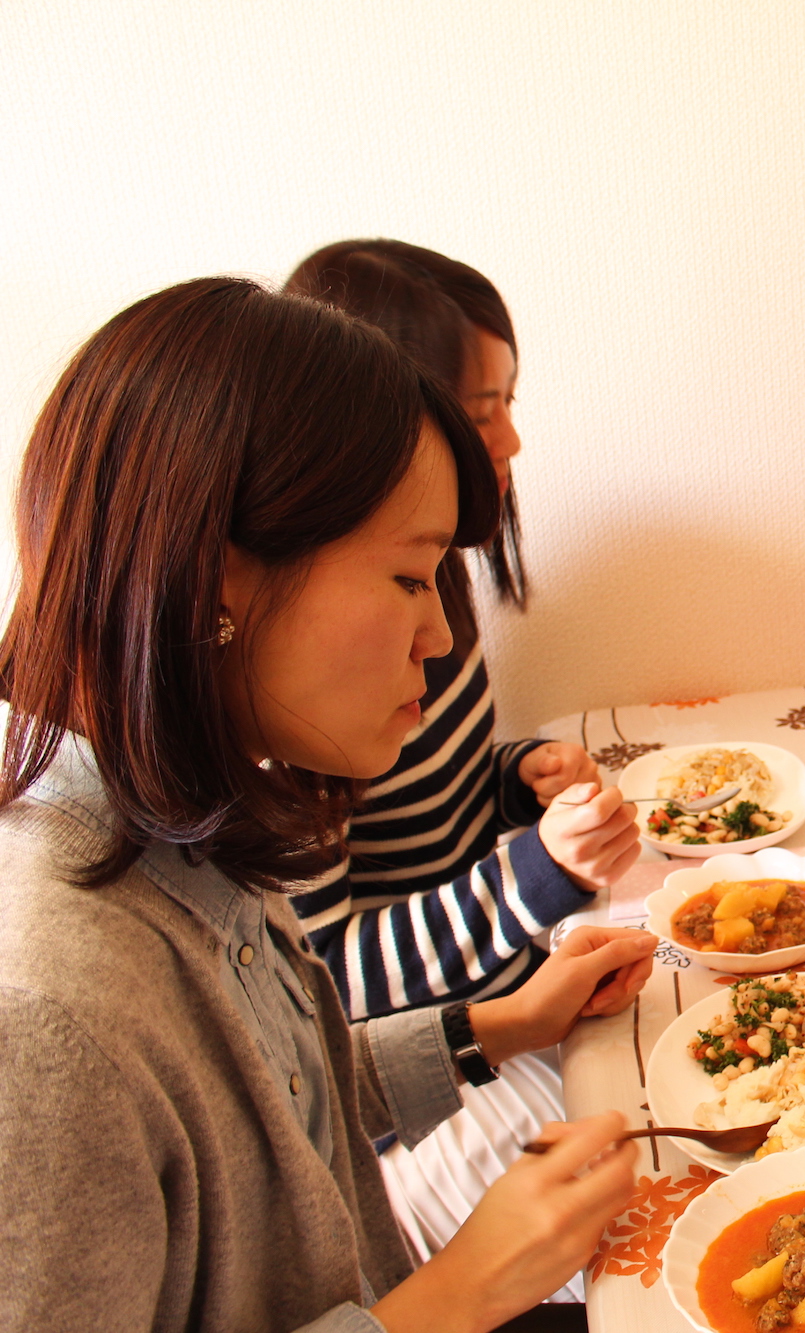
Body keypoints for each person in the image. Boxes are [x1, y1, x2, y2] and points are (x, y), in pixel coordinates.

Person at [0, 277, 655, 1331]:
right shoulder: (44, 1020)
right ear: (216, 574)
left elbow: (269, 1101)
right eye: (408, 579)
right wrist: (456, 1294)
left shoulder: (179, 806)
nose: (439, 636)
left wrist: (496, 1027)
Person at [283, 242, 640, 1280]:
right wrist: (531, 878)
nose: (511, 439)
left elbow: (420, 793)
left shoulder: (434, 576)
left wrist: (515, 773)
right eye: (482, 410)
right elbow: (320, 990)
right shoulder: (297, 682)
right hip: (403, 1090)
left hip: (494, 1006)